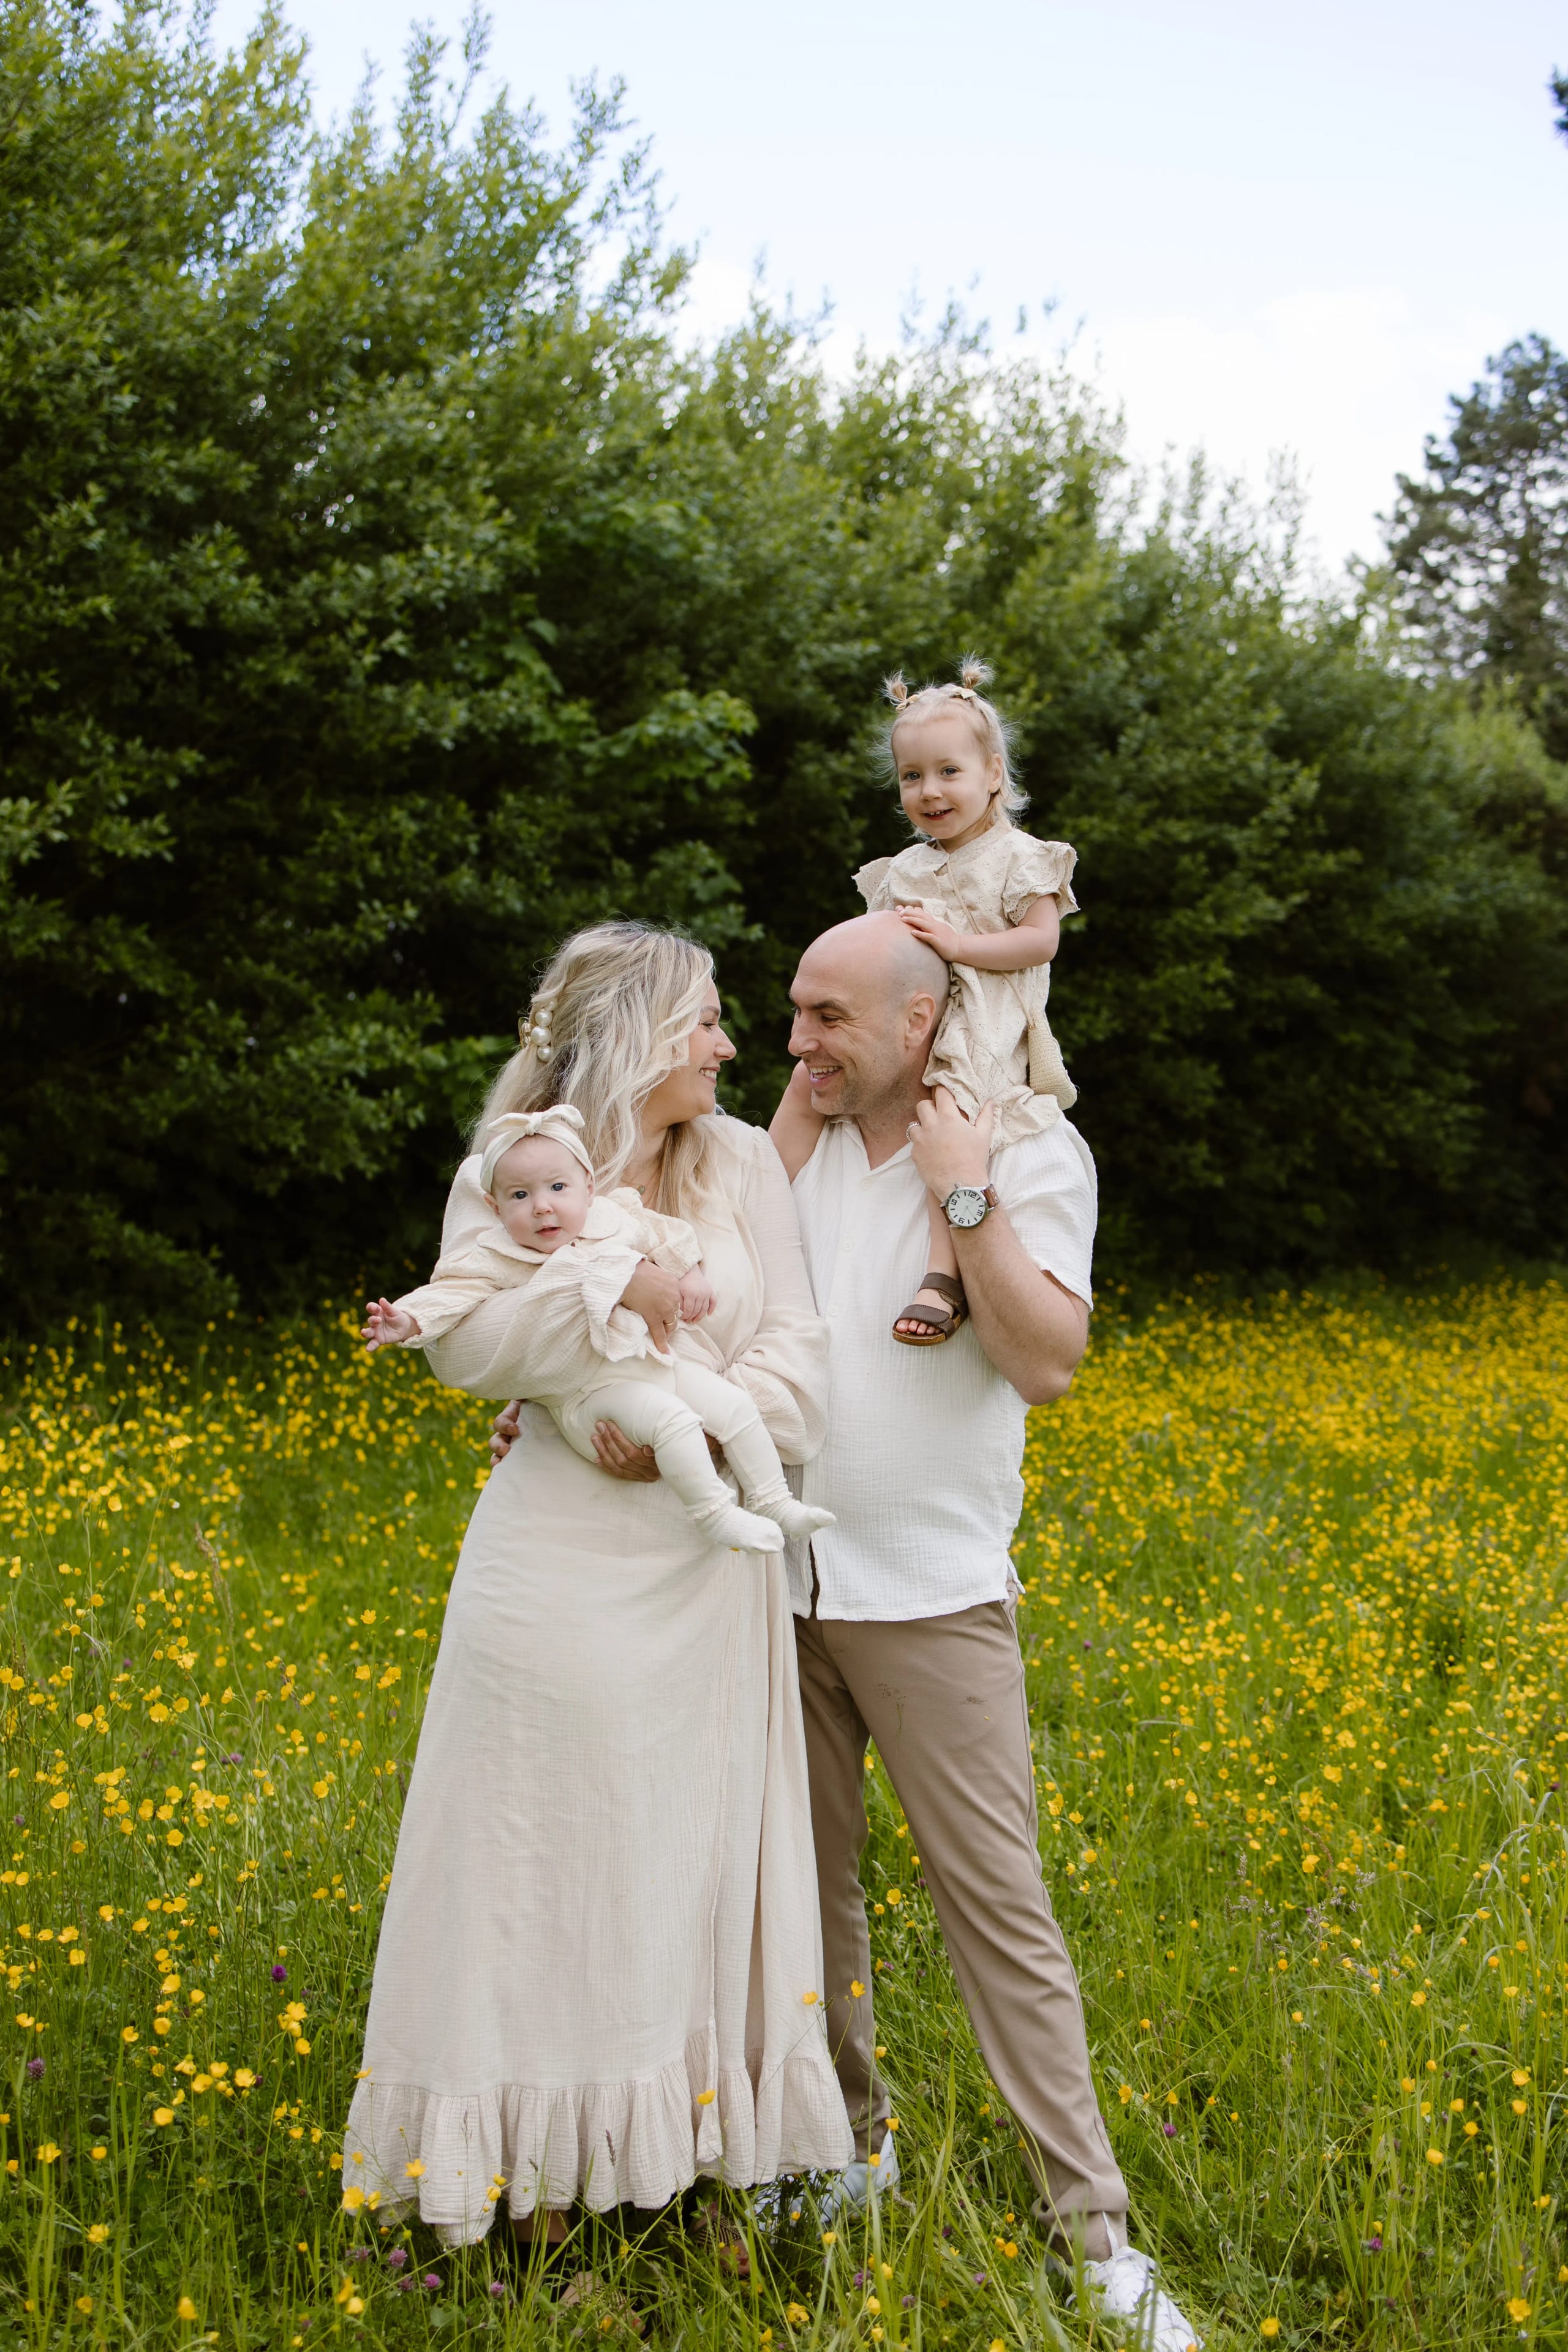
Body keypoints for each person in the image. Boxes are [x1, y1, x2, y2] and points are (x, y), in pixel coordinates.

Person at [344, 922, 854, 2255]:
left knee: (683, 1865)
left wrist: (710, 1412)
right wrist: (585, 1396)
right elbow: (469, 1340)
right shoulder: (518, 1167)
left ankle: (679, 2166)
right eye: (705, 1021)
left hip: (703, 1557)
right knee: (538, 1859)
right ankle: (523, 2194)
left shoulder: (740, 1159)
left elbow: (798, 1337)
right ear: (637, 1028)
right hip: (554, 1570)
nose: (729, 1046)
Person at [780, 909, 1203, 2352]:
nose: (798, 1043)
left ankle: (1094, 2237)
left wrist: (962, 1197)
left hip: (930, 1596)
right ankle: (846, 2146)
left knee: (998, 1919)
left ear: (919, 1022)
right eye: (790, 1012)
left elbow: (1044, 1361)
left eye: (827, 1016)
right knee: (801, 1896)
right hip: (772, 1593)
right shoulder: (792, 1154)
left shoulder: (1023, 1154)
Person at [362, 1106, 834, 1556]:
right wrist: (409, 1320)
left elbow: (664, 1235)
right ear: (494, 1205)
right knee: (673, 1422)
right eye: (520, 1196)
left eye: (558, 1188)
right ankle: (712, 1512)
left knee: (734, 1406)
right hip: (591, 1393)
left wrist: (688, 1273)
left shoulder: (612, 1217)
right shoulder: (498, 1254)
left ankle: (774, 1500)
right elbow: (454, 1291)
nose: (543, 1208)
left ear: (589, 1186)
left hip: (653, 1361)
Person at [772, 657, 1077, 1346]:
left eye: (948, 772)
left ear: (993, 774)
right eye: (912, 777)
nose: (929, 791)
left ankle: (943, 1270)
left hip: (982, 1022)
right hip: (911, 1019)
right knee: (803, 1082)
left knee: (951, 1118)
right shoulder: (906, 869)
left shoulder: (1018, 857)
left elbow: (1039, 943)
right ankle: (758, 1201)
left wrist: (959, 945)